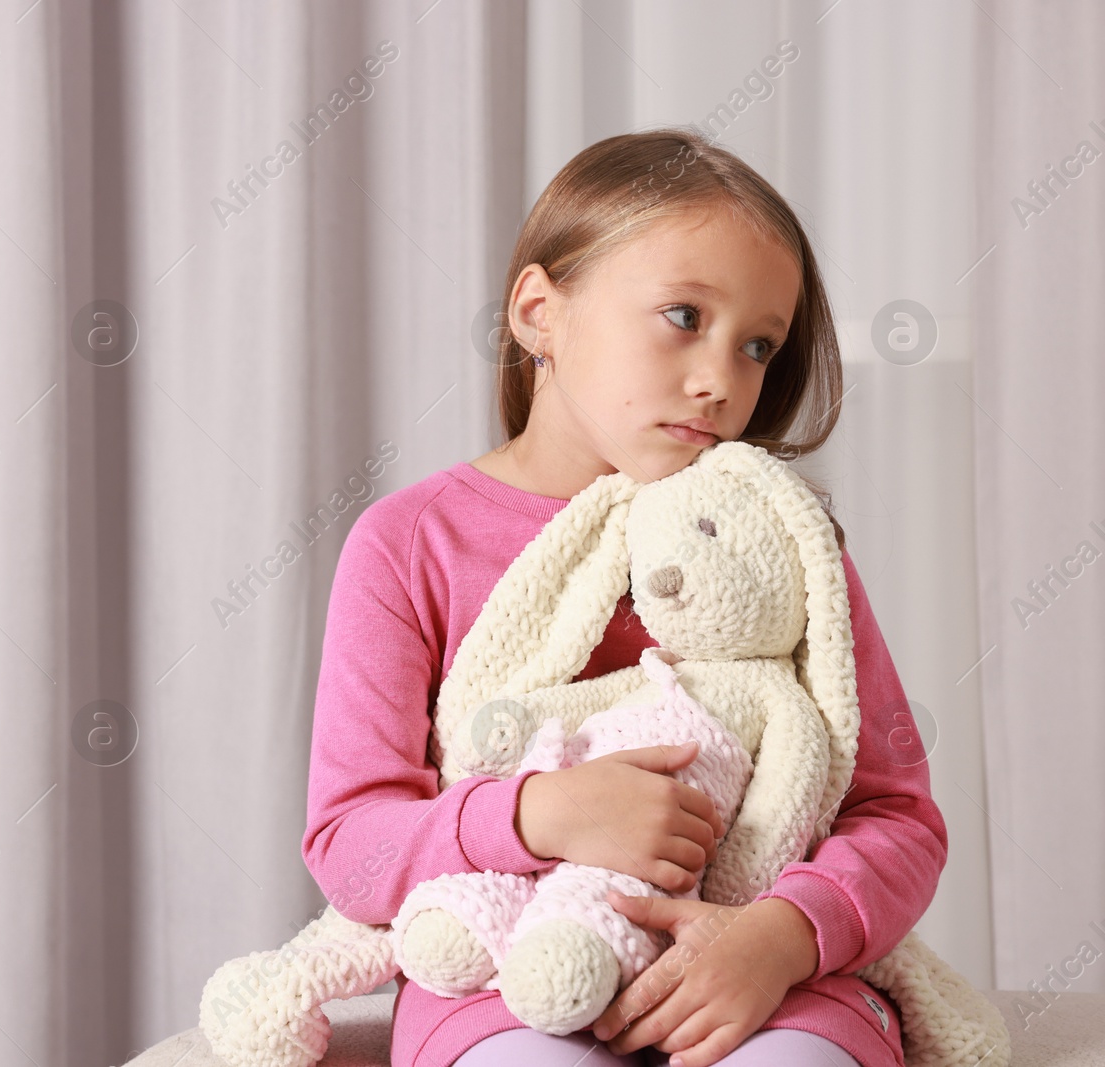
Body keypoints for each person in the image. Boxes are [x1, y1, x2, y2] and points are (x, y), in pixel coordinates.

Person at [300, 127, 948, 1067]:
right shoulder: (410, 542)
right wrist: (535, 814)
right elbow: (349, 840)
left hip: (765, 978)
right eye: (684, 315)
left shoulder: (776, 540)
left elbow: (897, 815)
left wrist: (781, 937)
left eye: (759, 345)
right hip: (507, 974)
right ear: (538, 314)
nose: (721, 382)